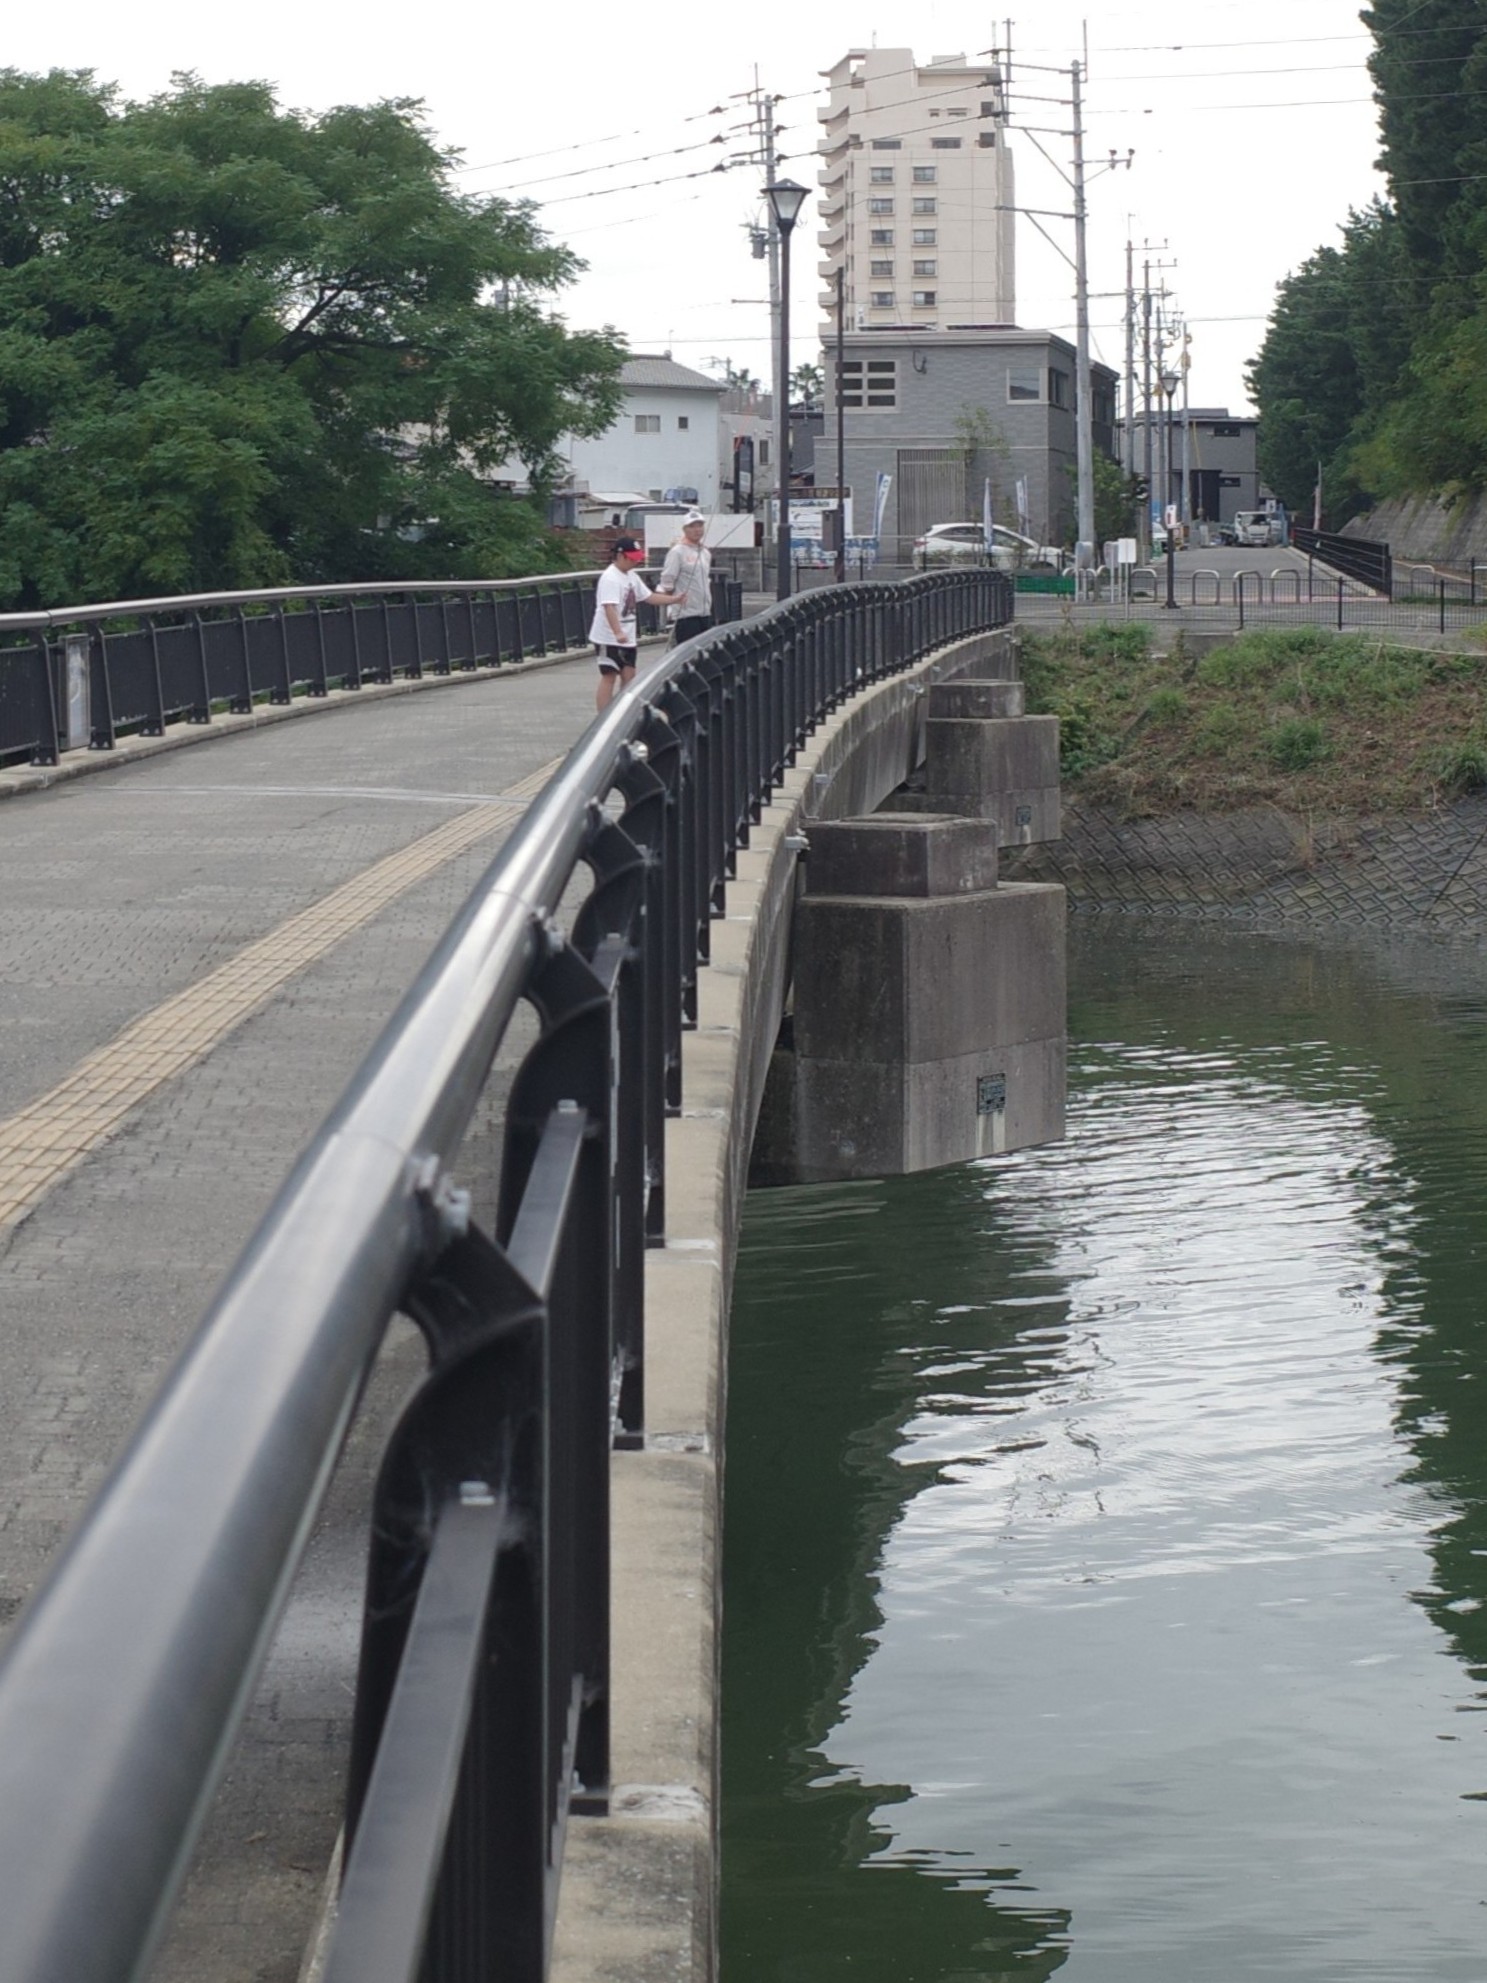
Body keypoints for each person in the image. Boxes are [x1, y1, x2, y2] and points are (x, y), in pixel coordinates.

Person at [588, 538, 680, 710]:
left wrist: (674, 599)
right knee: (609, 674)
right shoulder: (610, 578)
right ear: (621, 556)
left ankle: (622, 711)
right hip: (608, 636)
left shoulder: (632, 576)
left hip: (628, 635)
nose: (636, 561)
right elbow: (609, 607)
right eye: (632, 557)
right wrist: (617, 632)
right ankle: (603, 716)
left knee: (629, 675)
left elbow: (648, 597)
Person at [658, 511, 714, 646]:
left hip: (705, 613)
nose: (697, 529)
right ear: (684, 529)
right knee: (689, 657)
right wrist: (671, 603)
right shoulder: (677, 551)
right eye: (692, 526)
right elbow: (667, 580)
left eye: (700, 525)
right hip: (685, 615)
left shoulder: (705, 553)